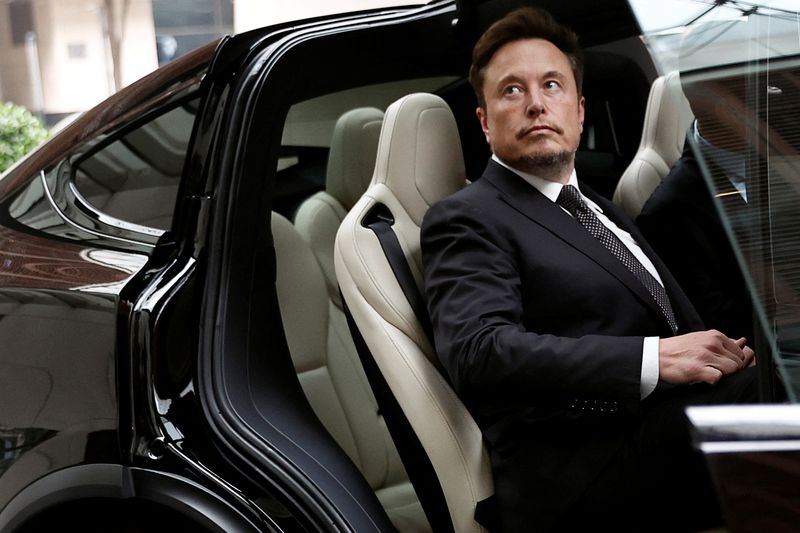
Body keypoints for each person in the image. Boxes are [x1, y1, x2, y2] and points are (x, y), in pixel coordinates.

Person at [420, 7, 758, 532]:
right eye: (512, 90)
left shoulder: (601, 209)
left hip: (666, 433)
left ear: (579, 111)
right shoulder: (466, 218)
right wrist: (653, 358)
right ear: (484, 122)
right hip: (584, 471)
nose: (535, 103)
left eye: (551, 85)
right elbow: (478, 350)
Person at [637, 73, 754, 343]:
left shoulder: (785, 156)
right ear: (703, 99)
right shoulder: (666, 214)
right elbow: (716, 328)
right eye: (745, 84)